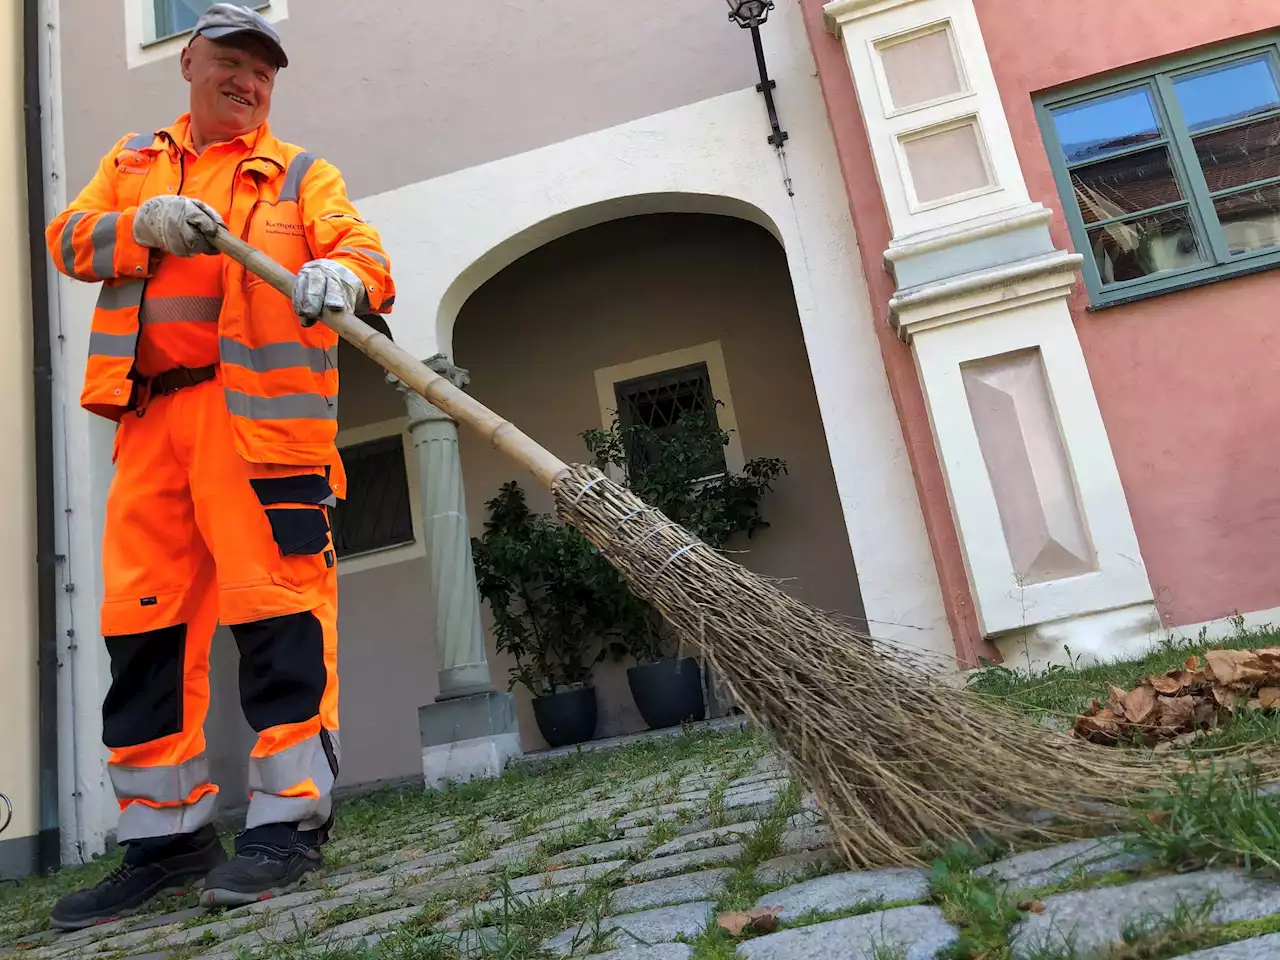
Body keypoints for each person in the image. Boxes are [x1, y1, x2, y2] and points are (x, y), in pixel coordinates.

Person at [43, 3, 395, 928]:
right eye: (232, 63)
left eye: (264, 72)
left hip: (261, 437)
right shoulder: (130, 166)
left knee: (278, 620)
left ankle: (289, 826)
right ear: (190, 62)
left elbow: (363, 249)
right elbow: (69, 241)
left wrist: (347, 279)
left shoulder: (300, 176)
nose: (249, 82)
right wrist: (142, 227)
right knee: (143, 636)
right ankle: (164, 838)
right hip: (152, 425)